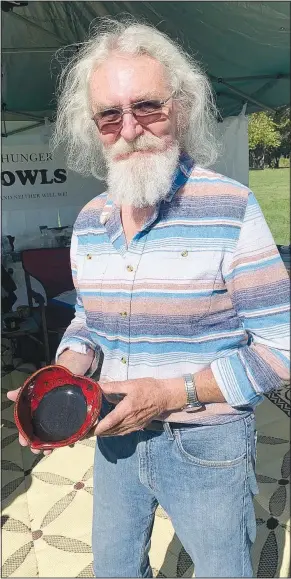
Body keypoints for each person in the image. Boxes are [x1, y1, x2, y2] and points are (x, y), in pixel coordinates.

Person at [8, 18, 290, 578]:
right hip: (113, 434)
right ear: (93, 128)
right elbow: (90, 319)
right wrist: (65, 373)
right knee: (115, 568)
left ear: (180, 109)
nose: (129, 127)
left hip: (207, 446)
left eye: (148, 107)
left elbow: (281, 347)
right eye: (109, 115)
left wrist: (171, 392)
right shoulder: (90, 222)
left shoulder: (231, 207)